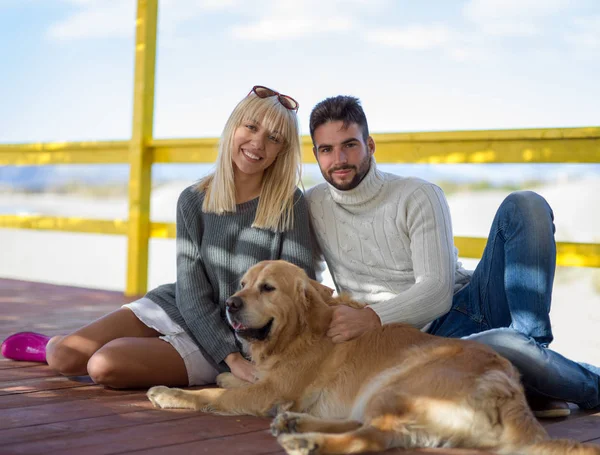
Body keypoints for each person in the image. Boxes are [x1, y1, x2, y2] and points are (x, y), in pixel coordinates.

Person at [1, 85, 316, 389]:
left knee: (104, 366)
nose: (258, 143)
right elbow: (191, 291)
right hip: (180, 306)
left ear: (281, 151)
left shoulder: (290, 204)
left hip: (241, 338)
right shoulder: (192, 199)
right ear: (233, 128)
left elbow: (297, 293)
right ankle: (49, 346)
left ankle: (153, 351)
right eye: (251, 127)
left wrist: (234, 356)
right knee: (63, 357)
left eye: (273, 138)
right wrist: (229, 357)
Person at [305, 94, 600, 418]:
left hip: (470, 303)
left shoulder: (417, 195)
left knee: (526, 205)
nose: (339, 159)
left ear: (370, 145)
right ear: (317, 155)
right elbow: (310, 282)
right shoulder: (313, 205)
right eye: (326, 150)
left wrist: (372, 317)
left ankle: (533, 357)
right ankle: (535, 373)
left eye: (349, 145)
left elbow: (436, 292)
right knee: (507, 346)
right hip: (414, 345)